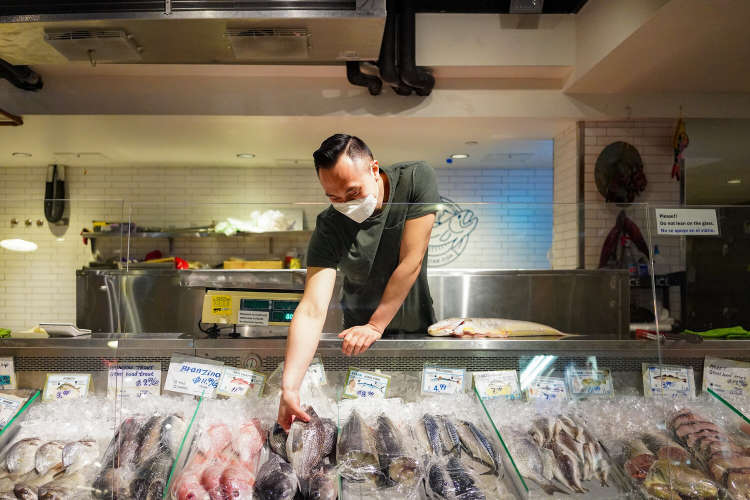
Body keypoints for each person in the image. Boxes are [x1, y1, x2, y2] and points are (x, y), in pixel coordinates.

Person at [277, 133, 440, 430]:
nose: (344, 204)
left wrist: (376, 325)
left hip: (412, 329)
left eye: (352, 193)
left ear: (374, 169)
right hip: (357, 342)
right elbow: (313, 308)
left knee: (414, 422)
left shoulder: (416, 179)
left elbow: (410, 261)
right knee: (364, 423)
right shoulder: (330, 226)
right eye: (333, 197)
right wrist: (290, 387)